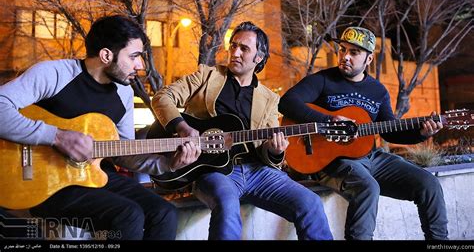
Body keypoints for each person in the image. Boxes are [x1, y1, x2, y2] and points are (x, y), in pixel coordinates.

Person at [0, 15, 180, 240]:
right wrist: (56, 137)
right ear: (106, 55)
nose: (141, 65)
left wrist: (168, 163)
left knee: (165, 213)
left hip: (97, 176)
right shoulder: (55, 74)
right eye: (134, 56)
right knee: (128, 214)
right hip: (45, 184)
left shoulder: (124, 93)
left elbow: (123, 152)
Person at [152, 21, 333, 240]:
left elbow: (272, 155)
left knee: (311, 202)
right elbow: (162, 97)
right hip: (214, 171)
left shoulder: (270, 99)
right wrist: (183, 128)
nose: (235, 53)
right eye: (233, 46)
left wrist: (275, 150)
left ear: (259, 57)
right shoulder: (206, 76)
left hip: (259, 172)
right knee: (228, 205)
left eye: (244, 48)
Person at [279, 26, 448, 240]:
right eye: (343, 50)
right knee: (367, 188)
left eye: (354, 52)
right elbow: (287, 102)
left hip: (371, 157)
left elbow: (391, 131)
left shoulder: (377, 91)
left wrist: (422, 134)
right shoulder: (323, 80)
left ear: (369, 59)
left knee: (429, 184)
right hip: (331, 160)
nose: (345, 57)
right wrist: (328, 121)